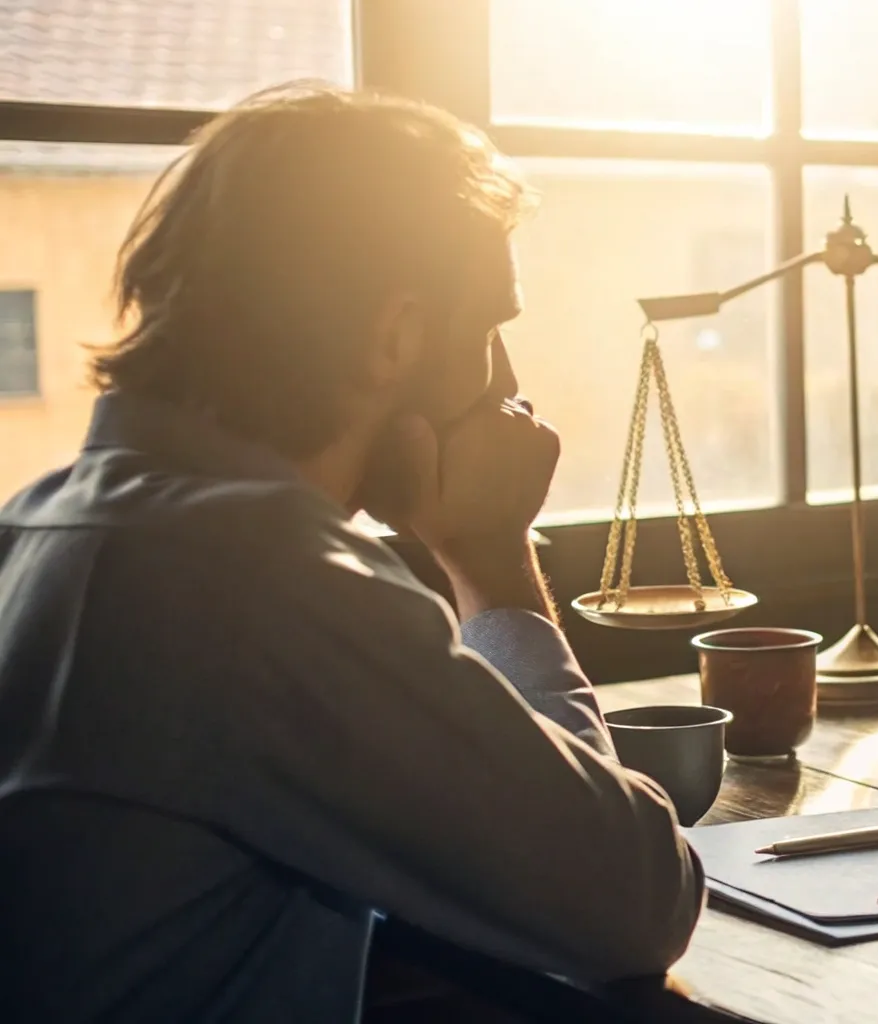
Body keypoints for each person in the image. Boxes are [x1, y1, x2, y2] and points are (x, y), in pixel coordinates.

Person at [0, 87, 704, 1021]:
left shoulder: (41, 525)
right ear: (395, 334)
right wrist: (490, 560)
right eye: (490, 327)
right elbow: (635, 901)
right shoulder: (252, 575)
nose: (509, 382)